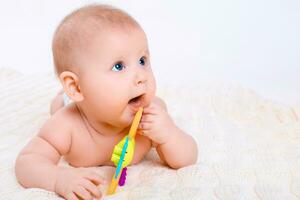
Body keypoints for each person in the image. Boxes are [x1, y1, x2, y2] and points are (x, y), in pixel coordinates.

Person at [15, 4, 198, 200]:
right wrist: (58, 178)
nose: (141, 76)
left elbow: (188, 158)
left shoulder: (149, 120)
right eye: (119, 66)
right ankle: (63, 95)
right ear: (76, 87)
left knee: (159, 104)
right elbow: (27, 162)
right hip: (72, 103)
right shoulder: (66, 126)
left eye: (142, 60)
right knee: (58, 105)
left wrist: (169, 134)